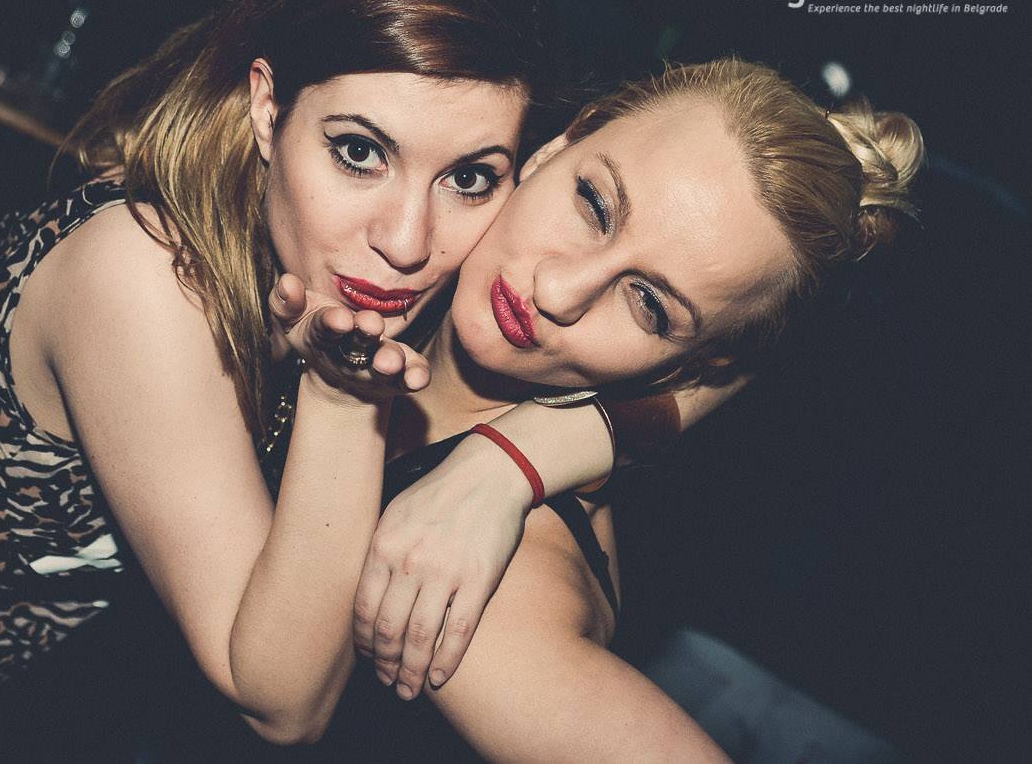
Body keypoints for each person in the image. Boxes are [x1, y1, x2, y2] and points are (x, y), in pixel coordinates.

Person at [0, 0, 594, 746]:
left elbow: (674, 363)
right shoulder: (143, 273)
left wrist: (520, 461)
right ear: (268, 109)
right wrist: (342, 402)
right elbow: (281, 700)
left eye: (469, 178)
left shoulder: (342, 269)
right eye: (359, 151)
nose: (407, 241)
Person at [260, 56, 921, 760]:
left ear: (691, 367)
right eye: (595, 206)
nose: (559, 290)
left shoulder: (493, 586)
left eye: (649, 305)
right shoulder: (401, 240)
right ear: (555, 146)